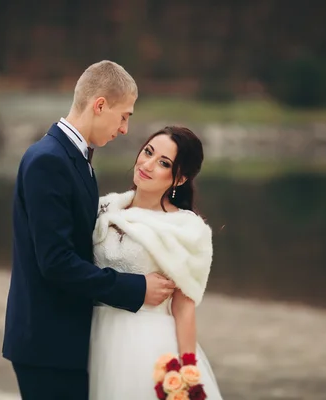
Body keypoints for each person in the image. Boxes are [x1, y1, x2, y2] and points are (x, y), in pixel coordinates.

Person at [2, 60, 176, 400]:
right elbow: (56, 262)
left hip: (66, 341)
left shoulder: (76, 159)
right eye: (124, 115)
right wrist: (135, 288)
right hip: (47, 344)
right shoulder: (49, 161)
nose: (125, 128)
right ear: (100, 105)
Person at [89, 126, 224, 399]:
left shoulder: (185, 229)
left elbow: (184, 308)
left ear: (180, 178)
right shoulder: (104, 208)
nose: (147, 165)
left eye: (163, 163)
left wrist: (187, 371)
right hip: (91, 335)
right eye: (148, 152)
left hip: (145, 344)